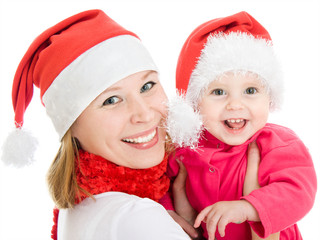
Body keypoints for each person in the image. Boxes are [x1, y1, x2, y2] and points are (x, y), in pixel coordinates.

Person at [1, 9, 265, 240]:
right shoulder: (138, 218)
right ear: (71, 126)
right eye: (111, 100)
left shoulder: (79, 209)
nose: (145, 114)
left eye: (147, 86)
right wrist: (257, 215)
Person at [164, 11, 317, 240]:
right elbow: (161, 184)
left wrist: (249, 208)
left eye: (250, 91)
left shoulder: (278, 144)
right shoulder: (185, 149)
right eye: (218, 92)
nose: (235, 104)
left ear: (270, 97)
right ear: (194, 104)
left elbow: (298, 192)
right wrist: (165, 211)